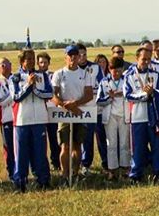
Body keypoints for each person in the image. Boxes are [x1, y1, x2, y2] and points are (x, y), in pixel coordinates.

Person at [10, 48, 54, 191]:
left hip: (40, 119)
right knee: (21, 153)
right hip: (22, 120)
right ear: (22, 60)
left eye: (32, 58)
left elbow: (49, 93)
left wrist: (36, 91)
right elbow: (16, 97)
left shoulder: (42, 75)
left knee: (40, 152)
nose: (31, 61)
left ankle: (43, 180)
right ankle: (20, 183)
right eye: (28, 58)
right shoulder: (15, 77)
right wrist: (28, 85)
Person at [51, 45, 96, 183]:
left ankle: (75, 173)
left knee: (77, 144)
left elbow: (89, 95)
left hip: (79, 113)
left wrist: (75, 104)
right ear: (65, 57)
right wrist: (65, 105)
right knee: (65, 145)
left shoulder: (85, 73)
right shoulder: (59, 74)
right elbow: (53, 94)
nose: (73, 57)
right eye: (70, 55)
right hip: (64, 114)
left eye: (76, 55)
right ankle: (65, 175)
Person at [124, 43, 159, 183]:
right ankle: (136, 174)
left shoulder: (155, 74)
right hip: (137, 117)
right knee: (138, 147)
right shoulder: (129, 75)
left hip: (153, 116)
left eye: (148, 59)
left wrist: (153, 92)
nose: (146, 62)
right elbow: (128, 95)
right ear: (137, 58)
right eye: (144, 59)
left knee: (156, 145)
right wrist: (143, 95)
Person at [76, 44, 104, 175]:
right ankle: (84, 164)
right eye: (79, 55)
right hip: (79, 110)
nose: (82, 57)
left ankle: (106, 164)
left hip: (95, 109)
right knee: (84, 138)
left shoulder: (95, 67)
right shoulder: (72, 69)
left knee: (100, 137)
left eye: (84, 54)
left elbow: (102, 85)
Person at [101, 57, 130, 178]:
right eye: (114, 70)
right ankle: (112, 170)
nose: (116, 73)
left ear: (122, 69)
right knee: (111, 144)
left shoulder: (127, 80)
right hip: (110, 116)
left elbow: (130, 94)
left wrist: (122, 94)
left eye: (119, 70)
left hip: (124, 114)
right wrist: (110, 97)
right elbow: (99, 101)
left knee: (124, 144)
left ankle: (125, 169)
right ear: (109, 69)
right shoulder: (104, 81)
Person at [0, 58, 16, 182]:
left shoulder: (16, 78)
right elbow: (2, 101)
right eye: (3, 65)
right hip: (6, 120)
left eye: (9, 64)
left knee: (20, 147)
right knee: (9, 148)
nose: (7, 66)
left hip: (20, 118)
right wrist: (15, 92)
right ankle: (12, 174)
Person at [36, 51, 60, 171]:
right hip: (40, 111)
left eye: (45, 62)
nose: (43, 64)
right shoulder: (35, 76)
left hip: (52, 110)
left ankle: (56, 162)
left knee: (54, 138)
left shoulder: (53, 75)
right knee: (40, 140)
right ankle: (41, 163)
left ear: (49, 63)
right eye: (40, 62)